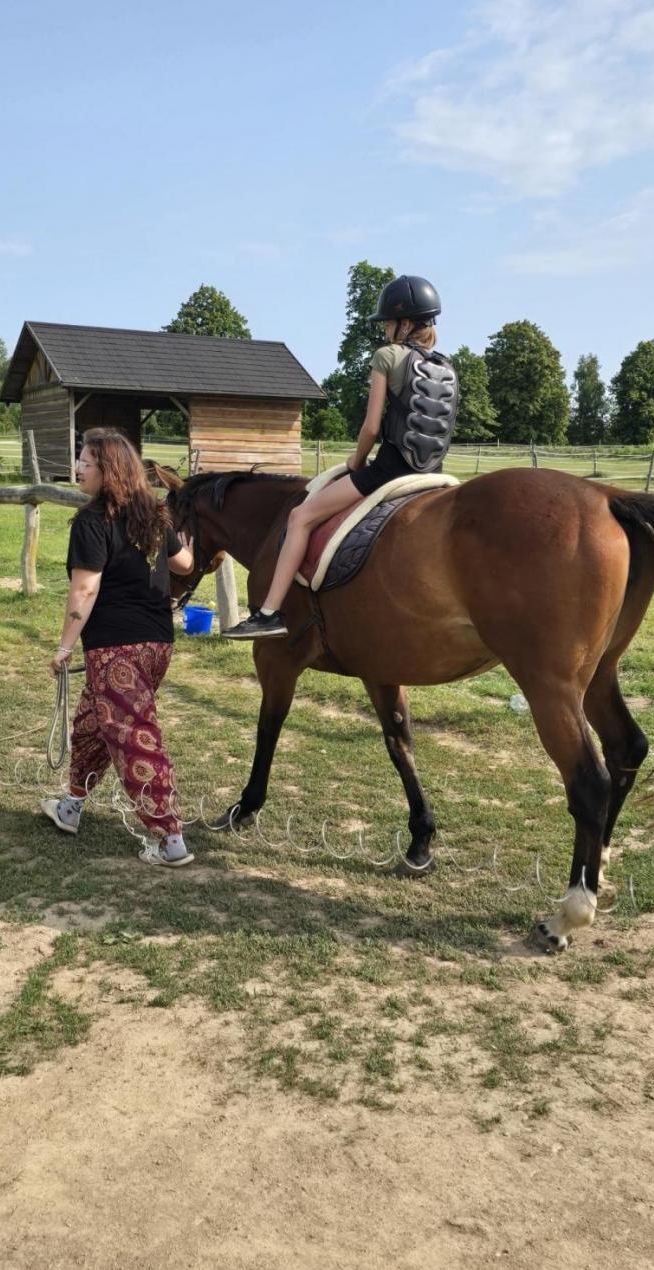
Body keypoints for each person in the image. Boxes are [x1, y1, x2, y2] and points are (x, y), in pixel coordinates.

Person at [223, 274, 458, 640]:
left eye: (389, 323)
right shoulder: (447, 366)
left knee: (301, 516)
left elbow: (370, 427)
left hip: (390, 472)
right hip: (434, 473)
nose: (386, 331)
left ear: (405, 323)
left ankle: (269, 613)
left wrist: (356, 461)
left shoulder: (386, 357)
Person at [41, 428, 196, 867]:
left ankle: (169, 840)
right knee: (92, 724)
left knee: (134, 738)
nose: (77, 469)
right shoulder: (153, 516)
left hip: (115, 650)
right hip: (156, 645)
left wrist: (65, 647)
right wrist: (183, 538)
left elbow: (83, 592)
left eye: (85, 462)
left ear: (106, 471)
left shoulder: (92, 523)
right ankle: (70, 806)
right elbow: (184, 563)